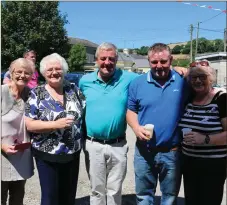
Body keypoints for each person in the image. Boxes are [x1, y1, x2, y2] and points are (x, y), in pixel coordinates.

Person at [126, 43, 188, 205]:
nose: (158, 66)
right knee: (144, 197)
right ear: (148, 61)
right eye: (154, 62)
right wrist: (135, 127)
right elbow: (131, 111)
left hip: (172, 152)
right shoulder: (137, 83)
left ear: (171, 60)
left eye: (163, 61)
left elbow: (205, 85)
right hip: (144, 152)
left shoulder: (183, 82)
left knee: (169, 197)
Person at [79, 42, 138, 205]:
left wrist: (176, 71)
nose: (107, 62)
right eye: (103, 58)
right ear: (96, 60)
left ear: (117, 59)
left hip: (118, 144)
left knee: (115, 190)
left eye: (111, 59)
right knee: (97, 190)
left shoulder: (129, 78)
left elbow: (152, 78)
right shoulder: (84, 82)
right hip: (93, 144)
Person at [24, 53, 85, 205]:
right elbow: (29, 124)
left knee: (68, 196)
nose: (54, 72)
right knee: (50, 197)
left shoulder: (73, 89)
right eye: (49, 69)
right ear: (44, 73)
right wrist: (55, 125)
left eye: (58, 69)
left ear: (64, 70)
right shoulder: (37, 93)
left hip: (72, 153)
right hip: (47, 155)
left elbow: (84, 112)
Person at [178, 61, 227, 205]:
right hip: (189, 162)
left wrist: (205, 139)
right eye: (194, 77)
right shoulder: (189, 99)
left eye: (202, 77)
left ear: (211, 79)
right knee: (192, 201)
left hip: (212, 165)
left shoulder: (221, 99)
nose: (198, 80)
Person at [1, 58, 35, 205]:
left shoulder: (31, 95)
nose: (22, 75)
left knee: (18, 197)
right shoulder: (2, 92)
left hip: (21, 154)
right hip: (2, 154)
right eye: (18, 71)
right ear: (11, 72)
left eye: (27, 73)